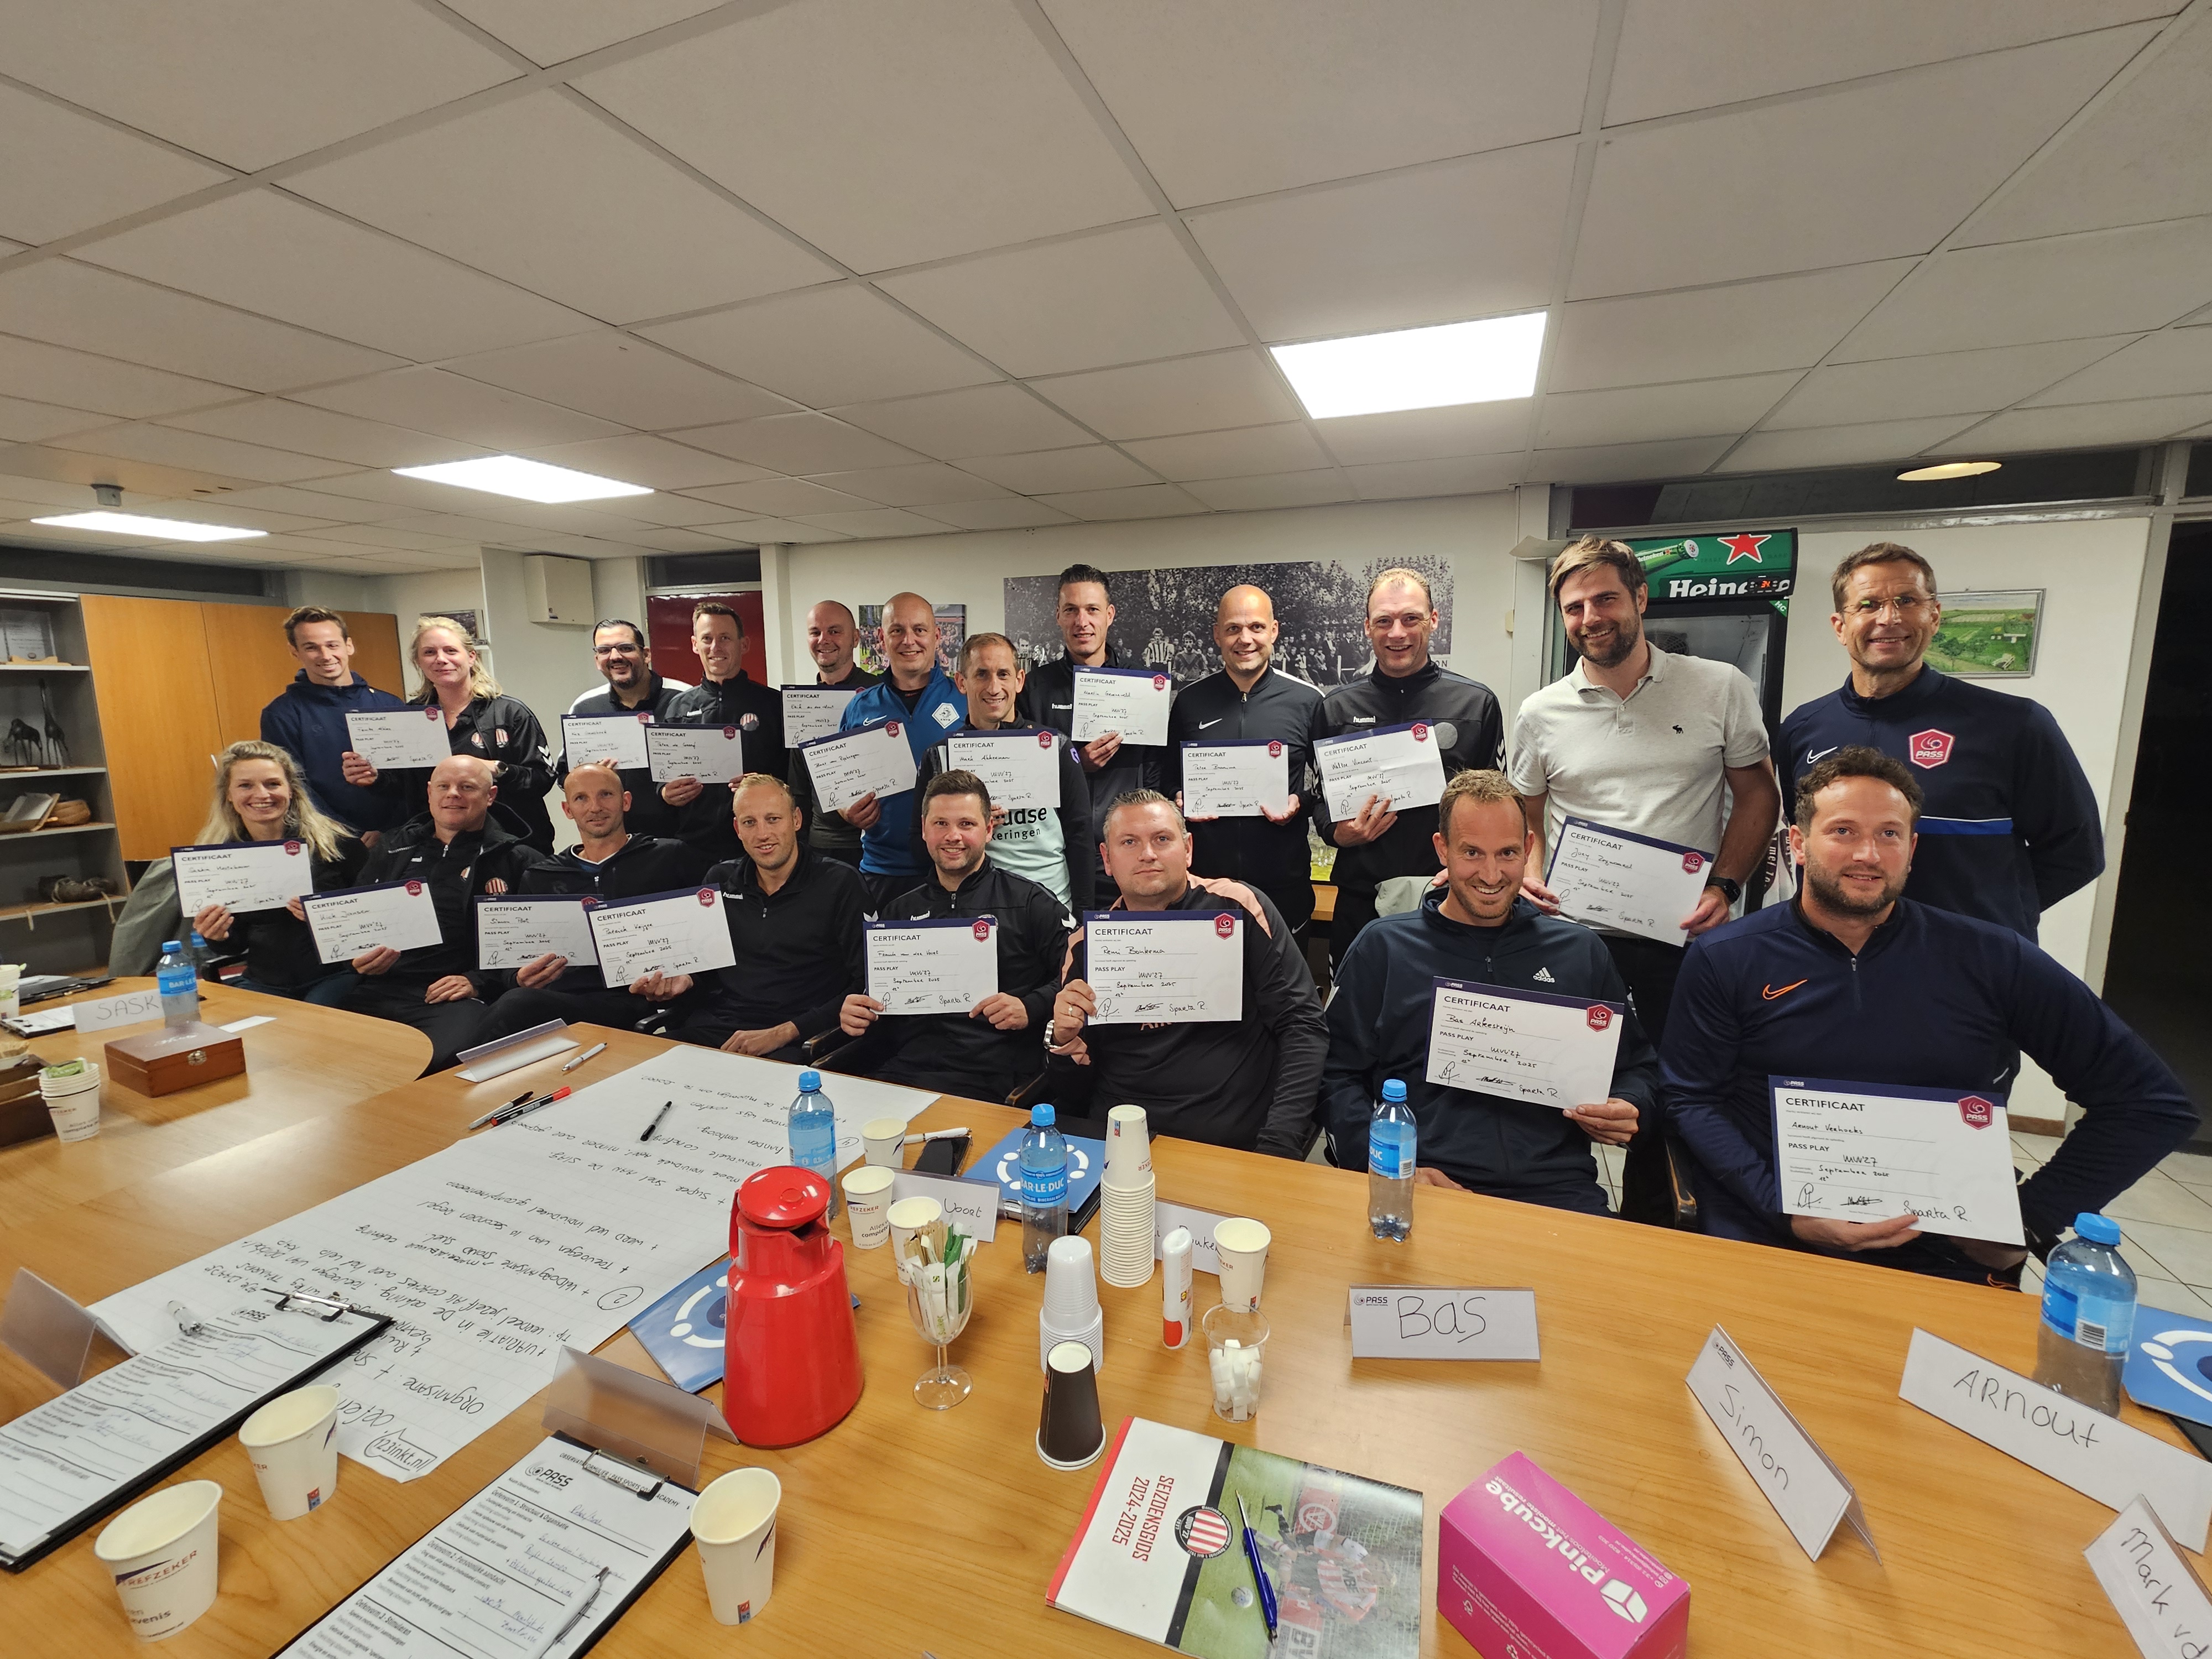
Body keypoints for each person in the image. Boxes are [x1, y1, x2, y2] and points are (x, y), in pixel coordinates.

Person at [1662, 747, 2193, 1286]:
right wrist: (1781, 1209)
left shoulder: (1991, 957)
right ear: (1798, 843)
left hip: (1938, 1249)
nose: (1868, 854)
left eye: (1889, 834)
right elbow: (1691, 1098)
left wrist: (2027, 1218)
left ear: (1912, 849)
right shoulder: (1726, 957)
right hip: (1770, 1228)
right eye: (1843, 831)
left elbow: (2148, 1103)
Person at [1509, 535, 1779, 1224]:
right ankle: (1554, 1216)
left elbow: (1758, 795)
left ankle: (1650, 1231)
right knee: (1554, 1088)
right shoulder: (1540, 711)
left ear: (1640, 598)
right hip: (1571, 938)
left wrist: (1725, 886)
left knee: (1667, 1097)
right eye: (1574, 608)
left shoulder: (1719, 686)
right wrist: (1531, 877)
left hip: (1680, 939)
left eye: (1605, 599)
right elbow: (1527, 811)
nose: (1590, 618)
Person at [1322, 770, 1652, 1216]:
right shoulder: (1383, 947)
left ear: (1529, 848)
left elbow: (1637, 1067)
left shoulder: (1580, 952)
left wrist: (1631, 1104)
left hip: (1556, 1190)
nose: (1492, 874)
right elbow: (1336, 1075)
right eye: (1472, 853)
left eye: (1508, 853)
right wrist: (1388, 1165)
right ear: (1442, 849)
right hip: (1423, 1180)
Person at [1775, 541, 2104, 941]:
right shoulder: (1803, 728)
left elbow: (2077, 852)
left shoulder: (2015, 724)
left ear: (1934, 616)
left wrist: (1996, 918)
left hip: (1971, 961)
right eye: (1868, 605)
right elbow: (1804, 842)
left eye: (1906, 600)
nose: (1889, 618)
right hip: (1836, 953)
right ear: (1840, 626)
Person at [1046, 791, 1327, 1157]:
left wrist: (1279, 1142)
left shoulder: (1239, 907)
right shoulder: (1085, 945)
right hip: (1123, 1142)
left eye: (1162, 839)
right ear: (1107, 859)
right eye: (1129, 842)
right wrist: (1062, 1042)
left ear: (1188, 848)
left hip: (1236, 1142)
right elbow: (1072, 1092)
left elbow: (1302, 1025)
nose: (1148, 854)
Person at [835, 771, 1073, 1102]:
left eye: (966, 824)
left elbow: (1080, 975)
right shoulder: (898, 912)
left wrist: (1030, 1006)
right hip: (903, 1075)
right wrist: (858, 1011)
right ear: (924, 829)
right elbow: (876, 999)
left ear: (988, 829)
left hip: (996, 1081)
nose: (953, 836)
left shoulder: (1030, 902)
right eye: (941, 824)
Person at [1321, 568, 1504, 966]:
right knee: (1356, 1002)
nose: (1397, 633)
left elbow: (1497, 809)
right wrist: (1339, 833)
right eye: (1384, 621)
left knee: (1445, 1001)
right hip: (1360, 901)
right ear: (1368, 627)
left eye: (1410, 619)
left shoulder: (1476, 704)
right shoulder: (1336, 708)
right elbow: (1320, 801)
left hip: (1449, 897)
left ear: (1433, 620)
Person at [340, 755, 557, 1074]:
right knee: (333, 1058)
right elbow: (356, 924)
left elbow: (533, 948)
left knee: (436, 1068)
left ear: (491, 796)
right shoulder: (391, 848)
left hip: (457, 997)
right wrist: (357, 958)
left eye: (467, 787)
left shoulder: (520, 860)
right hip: (381, 988)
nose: (453, 794)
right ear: (430, 793)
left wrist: (477, 981)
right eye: (444, 786)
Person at [473, 765, 711, 1043]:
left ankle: (449, 1070)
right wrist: (518, 978)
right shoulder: (540, 875)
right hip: (560, 998)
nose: (595, 807)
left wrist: (690, 977)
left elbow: (710, 938)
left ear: (626, 801)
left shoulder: (671, 856)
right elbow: (514, 962)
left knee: (517, 1005)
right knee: (514, 1004)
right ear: (567, 810)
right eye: (581, 798)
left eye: (606, 795)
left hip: (635, 998)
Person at [637, 774, 865, 1059]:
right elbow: (705, 969)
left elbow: (864, 983)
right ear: (737, 829)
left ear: (796, 820)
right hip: (718, 1029)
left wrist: (786, 1032)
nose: (762, 834)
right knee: (639, 1063)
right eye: (749, 823)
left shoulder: (840, 883)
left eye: (773, 819)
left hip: (796, 1040)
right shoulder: (719, 879)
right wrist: (687, 980)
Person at [1165, 584, 1328, 937]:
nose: (1245, 639)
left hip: (1284, 888)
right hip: (1205, 888)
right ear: (1217, 635)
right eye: (1233, 629)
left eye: (1256, 627)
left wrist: (1300, 802)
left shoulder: (1308, 701)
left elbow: (1328, 785)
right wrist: (1178, 798)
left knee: (1284, 976)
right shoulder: (1189, 702)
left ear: (1274, 631)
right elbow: (1166, 779)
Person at [911, 633, 1093, 914]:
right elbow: (920, 839)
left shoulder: (1054, 747)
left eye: (1003, 674)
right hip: (974, 910)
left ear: (1019, 680)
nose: (994, 687)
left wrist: (1083, 916)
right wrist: (972, 826)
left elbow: (1080, 834)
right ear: (961, 682)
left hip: (1051, 906)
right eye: (981, 674)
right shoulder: (939, 756)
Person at [342, 616, 557, 853]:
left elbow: (542, 779)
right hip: (437, 848)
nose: (441, 659)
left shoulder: (510, 713)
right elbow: (405, 787)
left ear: (471, 657)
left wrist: (497, 769)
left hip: (512, 847)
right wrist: (375, 779)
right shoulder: (410, 717)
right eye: (429, 652)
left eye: (451, 651)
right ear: (418, 662)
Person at [187, 740, 366, 1005]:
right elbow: (234, 946)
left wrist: (329, 918)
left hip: (337, 976)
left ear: (291, 790)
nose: (262, 795)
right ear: (228, 795)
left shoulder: (338, 845)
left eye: (273, 784)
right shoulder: (219, 860)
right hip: (263, 982)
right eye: (245, 786)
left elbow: (375, 922)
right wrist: (216, 935)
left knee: (311, 1020)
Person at [1017, 565, 1164, 882]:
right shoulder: (1034, 688)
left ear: (1109, 615)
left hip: (1129, 855)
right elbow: (1021, 779)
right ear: (1058, 616)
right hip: (1057, 858)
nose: (1082, 622)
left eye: (1092, 610)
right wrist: (1076, 765)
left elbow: (1156, 772)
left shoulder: (1143, 684)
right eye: (1071, 610)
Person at [834, 592, 962, 912]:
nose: (909, 641)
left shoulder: (965, 699)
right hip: (883, 870)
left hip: (954, 867)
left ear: (936, 636)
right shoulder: (859, 707)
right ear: (882, 638)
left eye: (919, 630)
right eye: (897, 630)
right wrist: (848, 811)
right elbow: (840, 790)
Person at [258, 605, 409, 839]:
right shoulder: (282, 714)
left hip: (398, 837)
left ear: (349, 646)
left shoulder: (390, 704)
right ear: (295, 651)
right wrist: (347, 837)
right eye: (311, 647)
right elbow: (295, 787)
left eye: (332, 645)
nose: (326, 656)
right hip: (329, 841)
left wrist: (391, 831)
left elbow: (409, 779)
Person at [659, 601, 786, 867]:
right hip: (692, 847)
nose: (716, 647)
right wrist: (665, 793)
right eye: (707, 639)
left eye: (725, 638)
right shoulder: (677, 707)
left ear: (744, 644)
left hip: (757, 846)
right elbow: (662, 775)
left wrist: (764, 785)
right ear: (695, 644)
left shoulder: (774, 705)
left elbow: (793, 778)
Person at [559, 618, 688, 839]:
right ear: (597, 660)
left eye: (626, 648)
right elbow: (565, 775)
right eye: (604, 650)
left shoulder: (685, 699)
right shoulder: (585, 706)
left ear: (646, 654)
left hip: (680, 837)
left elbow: (710, 769)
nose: (615, 657)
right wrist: (591, 776)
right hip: (613, 840)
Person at [789, 599, 883, 870]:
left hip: (877, 843)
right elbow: (799, 787)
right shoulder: (801, 705)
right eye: (815, 632)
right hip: (822, 844)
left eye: (834, 631)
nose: (824, 640)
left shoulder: (882, 694)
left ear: (855, 638)